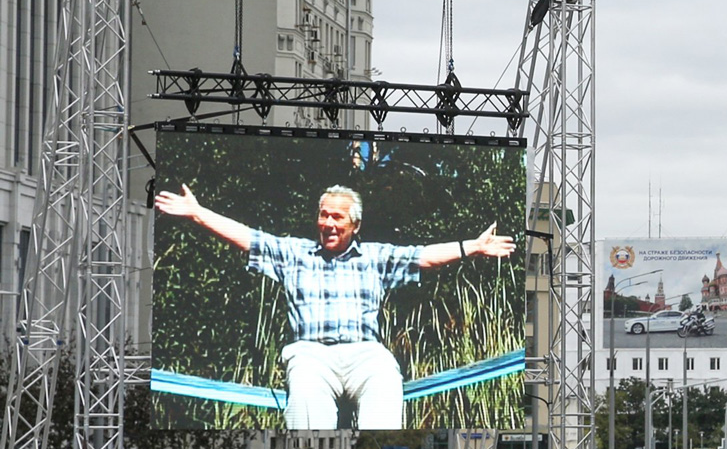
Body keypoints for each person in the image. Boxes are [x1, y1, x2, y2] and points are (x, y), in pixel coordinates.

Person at [151, 181, 515, 429]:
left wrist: (473, 246)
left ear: (354, 224)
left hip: (364, 353)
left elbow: (425, 257)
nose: (327, 223)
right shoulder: (294, 252)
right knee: (307, 398)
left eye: (336, 217)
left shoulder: (375, 257)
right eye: (323, 215)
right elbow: (246, 237)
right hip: (311, 353)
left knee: (387, 380)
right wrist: (198, 213)